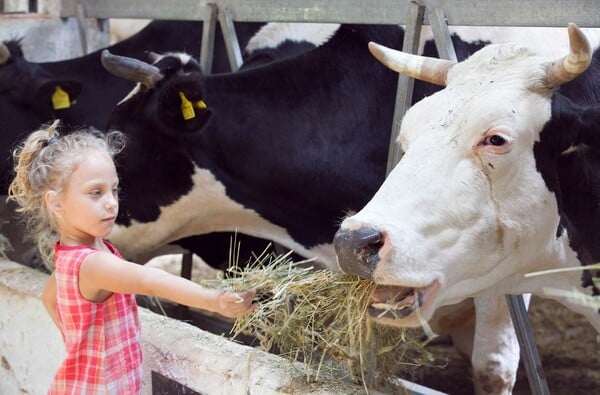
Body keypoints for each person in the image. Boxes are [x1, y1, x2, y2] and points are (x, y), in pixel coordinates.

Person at [7, 120, 257, 394]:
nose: (112, 202)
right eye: (95, 192)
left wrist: (80, 342)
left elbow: (49, 298)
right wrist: (213, 300)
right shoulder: (93, 263)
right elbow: (148, 280)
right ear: (56, 202)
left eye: (114, 189)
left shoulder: (71, 256)